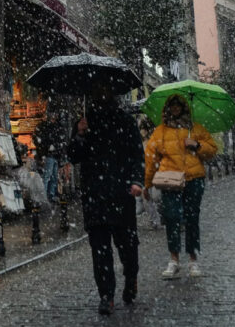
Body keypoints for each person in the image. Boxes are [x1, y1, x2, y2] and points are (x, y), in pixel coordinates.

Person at [67, 87, 144, 315]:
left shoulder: (125, 121)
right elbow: (73, 155)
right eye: (96, 91)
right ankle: (106, 295)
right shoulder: (85, 122)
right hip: (94, 195)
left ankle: (131, 278)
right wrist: (80, 135)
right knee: (100, 249)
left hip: (121, 193)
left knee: (128, 245)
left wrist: (136, 180)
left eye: (103, 90)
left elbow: (136, 154)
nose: (99, 95)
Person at [143, 93, 217, 279]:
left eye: (178, 105)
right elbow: (151, 158)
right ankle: (174, 259)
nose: (175, 108)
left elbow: (212, 150)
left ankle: (193, 259)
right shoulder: (160, 131)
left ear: (184, 107)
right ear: (167, 109)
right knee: (172, 218)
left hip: (194, 179)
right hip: (171, 180)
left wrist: (196, 145)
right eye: (172, 105)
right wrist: (147, 184)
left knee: (192, 218)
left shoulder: (195, 128)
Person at [33, 107, 67, 203]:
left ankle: (49, 195)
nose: (54, 116)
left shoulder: (52, 127)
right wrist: (48, 148)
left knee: (52, 176)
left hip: (53, 154)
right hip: (51, 154)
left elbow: (39, 139)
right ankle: (46, 196)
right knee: (49, 176)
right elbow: (40, 140)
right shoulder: (49, 127)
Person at [137, 116, 162, 229]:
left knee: (155, 197)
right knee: (147, 198)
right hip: (146, 171)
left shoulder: (155, 140)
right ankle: (154, 220)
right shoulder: (142, 142)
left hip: (155, 171)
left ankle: (158, 218)